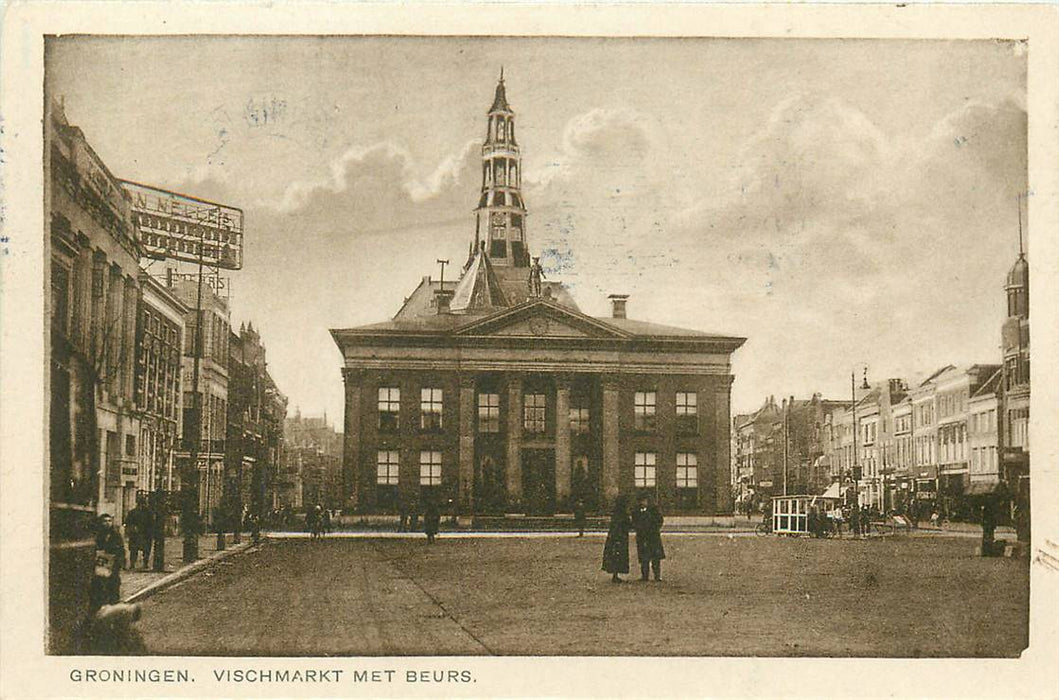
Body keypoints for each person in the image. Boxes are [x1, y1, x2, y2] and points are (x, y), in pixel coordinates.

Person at [90, 513, 126, 613]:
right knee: (99, 584)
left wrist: (121, 561)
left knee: (113, 584)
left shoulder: (115, 535)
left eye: (109, 521)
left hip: (112, 564)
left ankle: (113, 605)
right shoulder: (97, 535)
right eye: (105, 521)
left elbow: (121, 549)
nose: (107, 523)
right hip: (100, 563)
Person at [631, 495, 665, 581]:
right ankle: (644, 576)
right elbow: (634, 522)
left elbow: (659, 520)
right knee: (644, 558)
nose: (642, 503)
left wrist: (655, 529)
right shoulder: (636, 512)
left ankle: (657, 576)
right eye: (641, 501)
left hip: (653, 536)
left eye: (644, 501)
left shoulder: (654, 510)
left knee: (655, 557)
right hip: (642, 537)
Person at [601, 497, 631, 583]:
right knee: (618, 556)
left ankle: (615, 574)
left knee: (615, 555)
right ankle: (615, 575)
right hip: (620, 537)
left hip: (614, 537)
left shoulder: (616, 513)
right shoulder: (622, 514)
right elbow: (627, 524)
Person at [125, 497, 153, 570]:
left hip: (145, 534)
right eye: (141, 504)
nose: (143, 505)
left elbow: (152, 523)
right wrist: (132, 527)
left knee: (145, 550)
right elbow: (128, 522)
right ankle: (132, 564)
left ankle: (145, 563)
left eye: (144, 504)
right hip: (136, 534)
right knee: (134, 550)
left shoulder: (149, 512)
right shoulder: (133, 512)